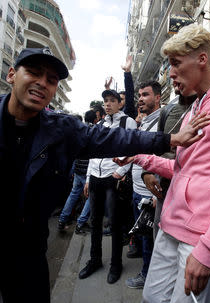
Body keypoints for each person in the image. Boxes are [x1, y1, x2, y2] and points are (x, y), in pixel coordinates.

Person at [0, 47, 210, 303]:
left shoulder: (60, 129)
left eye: (51, 79)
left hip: (26, 256)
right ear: (12, 75)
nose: (42, 83)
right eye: (33, 72)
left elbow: (113, 140)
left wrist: (170, 140)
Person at [116, 23, 210, 303]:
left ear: (202, 60)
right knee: (151, 297)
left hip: (200, 238)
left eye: (175, 63)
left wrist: (209, 248)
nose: (170, 73)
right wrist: (139, 157)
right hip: (171, 225)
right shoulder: (196, 106)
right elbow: (184, 170)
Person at [80, 89, 137, 285]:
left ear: (120, 103)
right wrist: (88, 177)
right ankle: (95, 259)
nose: (108, 104)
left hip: (113, 177)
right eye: (106, 101)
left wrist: (121, 172)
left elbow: (133, 147)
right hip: (96, 177)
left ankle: (116, 264)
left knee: (114, 223)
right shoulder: (100, 124)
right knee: (95, 222)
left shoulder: (127, 121)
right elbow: (93, 152)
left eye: (112, 100)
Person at [142, 82, 197, 239]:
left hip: (193, 192)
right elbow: (157, 144)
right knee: (160, 237)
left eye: (177, 64)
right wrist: (147, 172)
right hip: (164, 188)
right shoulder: (167, 110)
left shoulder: (207, 105)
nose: (172, 76)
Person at [125, 80, 162, 289]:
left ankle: (146, 276)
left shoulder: (161, 121)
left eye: (145, 95)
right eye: (139, 95)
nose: (140, 99)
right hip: (137, 189)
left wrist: (156, 195)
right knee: (142, 234)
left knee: (149, 238)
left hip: (150, 194)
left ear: (157, 97)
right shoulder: (145, 120)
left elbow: (162, 157)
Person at [58, 114, 92, 235]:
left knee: (73, 195)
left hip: (77, 170)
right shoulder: (87, 131)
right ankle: (80, 223)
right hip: (87, 171)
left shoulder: (71, 134)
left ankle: (62, 220)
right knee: (91, 197)